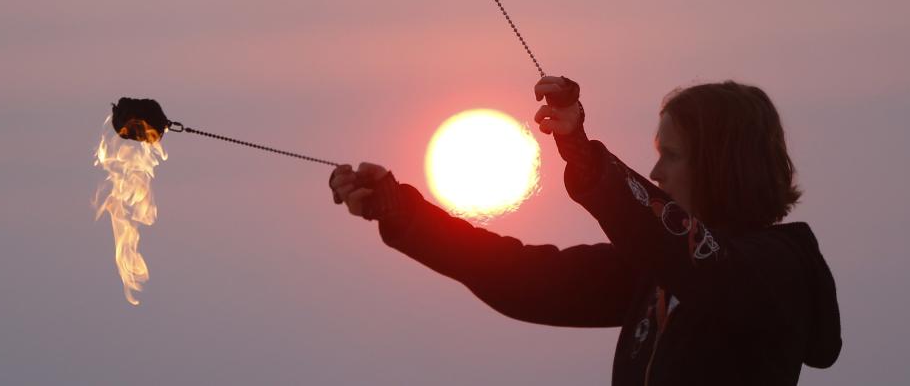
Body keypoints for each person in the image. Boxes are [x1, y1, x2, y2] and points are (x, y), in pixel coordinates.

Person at [329, 76, 841, 385]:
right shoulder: (656, 271)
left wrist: (583, 154)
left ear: (722, 166)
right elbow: (524, 276)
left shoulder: (775, 268)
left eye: (672, 156)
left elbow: (693, 255)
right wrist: (407, 216)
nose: (657, 174)